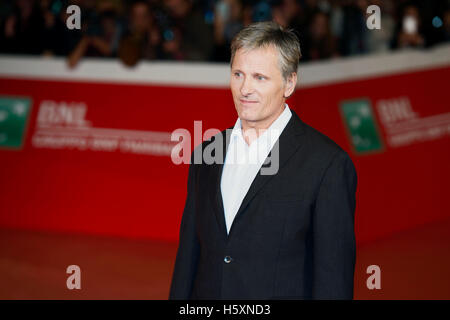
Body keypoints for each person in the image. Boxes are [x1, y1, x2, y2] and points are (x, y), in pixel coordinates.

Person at [169, 21, 357, 300]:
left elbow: (333, 277)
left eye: (260, 77)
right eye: (238, 74)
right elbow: (188, 257)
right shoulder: (206, 154)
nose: (245, 89)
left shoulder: (327, 165)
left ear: (289, 83)